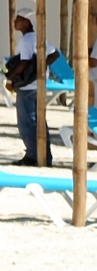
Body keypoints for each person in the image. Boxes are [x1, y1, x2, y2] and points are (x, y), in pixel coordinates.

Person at [9, 11, 41, 164]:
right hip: (38, 84)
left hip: (27, 86)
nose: (15, 22)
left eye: (19, 19)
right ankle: (43, 155)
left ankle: (32, 156)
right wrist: (40, 70)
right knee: (39, 121)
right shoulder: (38, 37)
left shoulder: (26, 40)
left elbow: (24, 62)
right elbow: (54, 54)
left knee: (26, 122)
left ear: (27, 22)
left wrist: (11, 77)